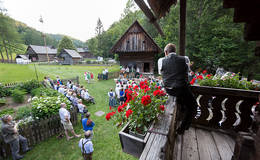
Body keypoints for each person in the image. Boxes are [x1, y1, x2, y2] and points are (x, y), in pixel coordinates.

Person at [159, 43, 197, 135]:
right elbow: (187, 71)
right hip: (181, 89)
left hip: (169, 90)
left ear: (166, 52)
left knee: (183, 103)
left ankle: (181, 110)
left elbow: (162, 73)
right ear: (175, 51)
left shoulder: (161, 60)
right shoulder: (185, 59)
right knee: (193, 107)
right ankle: (182, 128)